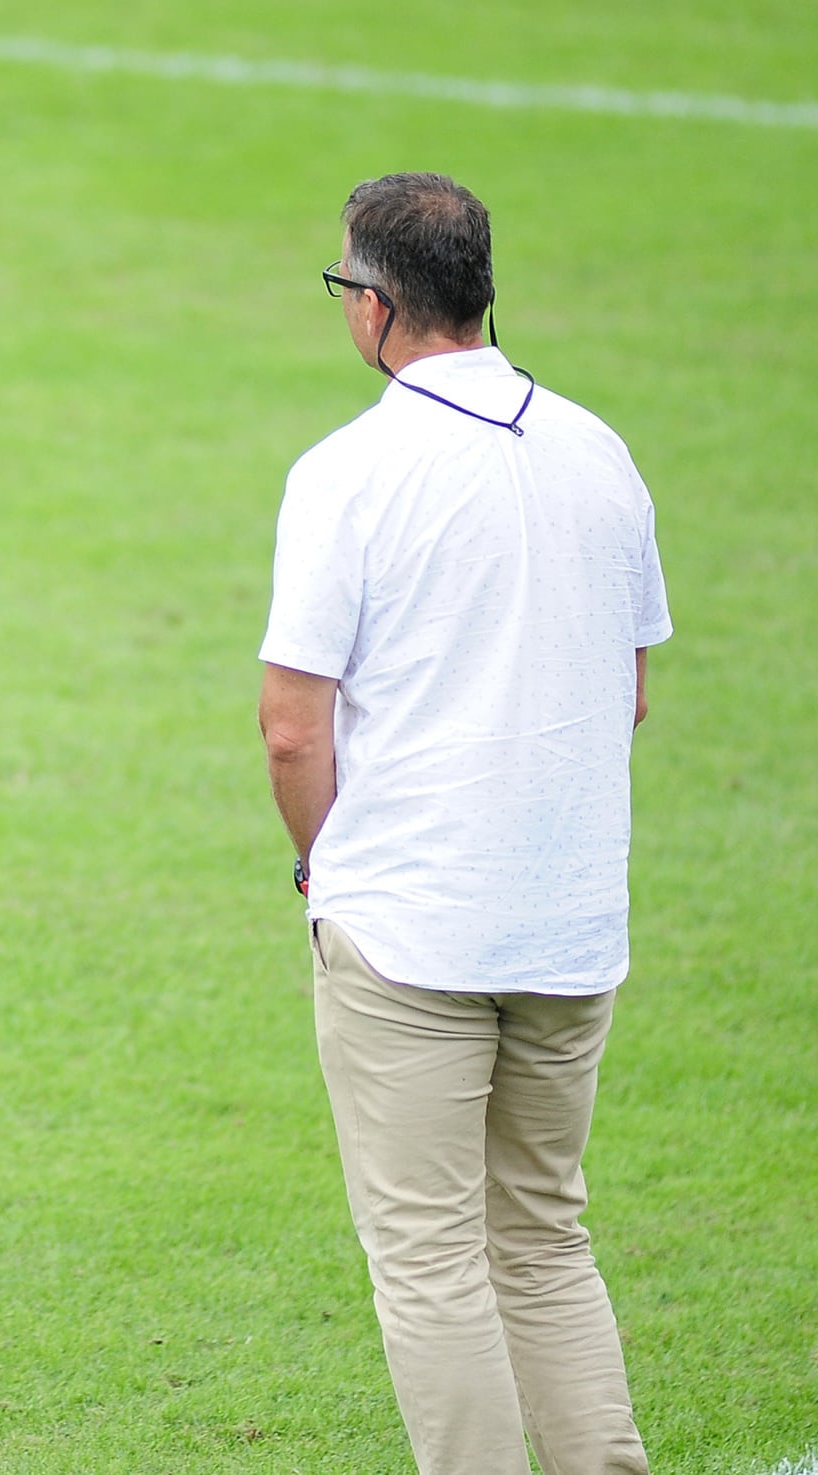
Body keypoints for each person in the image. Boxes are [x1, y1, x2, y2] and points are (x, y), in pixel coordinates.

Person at [257, 172, 669, 1475]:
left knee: (430, 1260)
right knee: (544, 1238)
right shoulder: (601, 453)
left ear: (377, 306)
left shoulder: (348, 473)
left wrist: (321, 869)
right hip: (570, 928)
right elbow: (630, 691)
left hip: (409, 932)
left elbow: (291, 726)